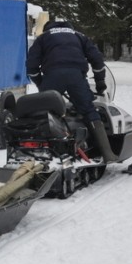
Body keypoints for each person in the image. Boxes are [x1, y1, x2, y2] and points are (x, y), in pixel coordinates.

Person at [26, 20, 117, 163]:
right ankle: (107, 153)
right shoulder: (79, 36)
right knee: (89, 111)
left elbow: (31, 65)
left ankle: (36, 152)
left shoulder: (43, 37)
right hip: (76, 76)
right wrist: (100, 81)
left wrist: (41, 84)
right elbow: (97, 59)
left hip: (52, 75)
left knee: (43, 113)